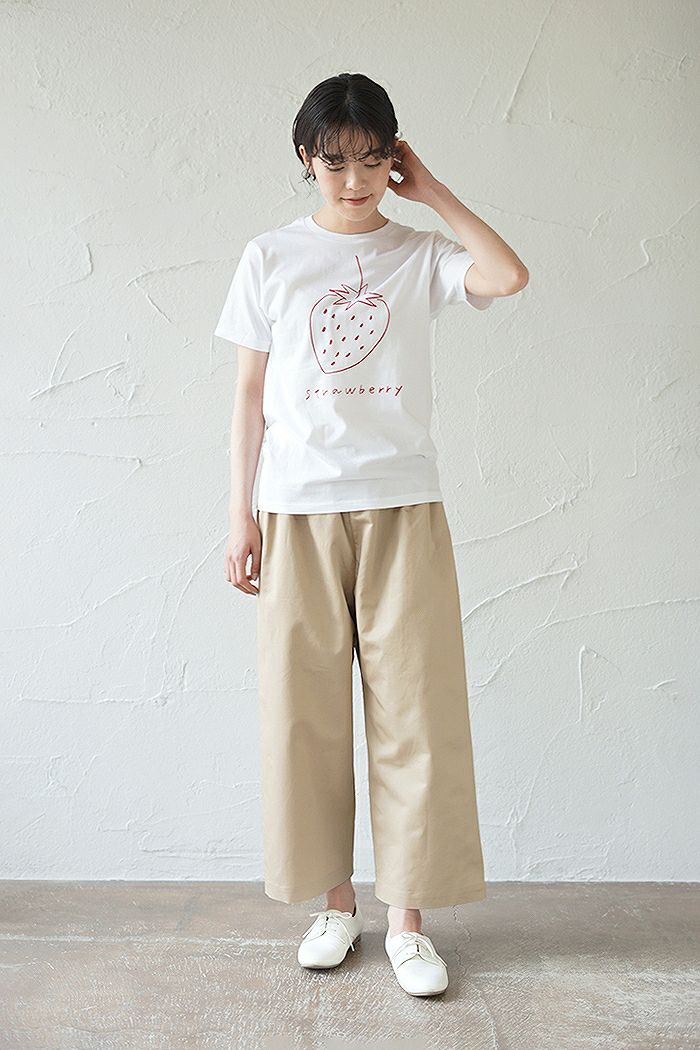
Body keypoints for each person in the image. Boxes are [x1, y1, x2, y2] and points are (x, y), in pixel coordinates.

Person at [216, 72, 528, 997]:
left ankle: (408, 924)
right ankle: (335, 905)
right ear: (305, 160)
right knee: (303, 716)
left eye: (371, 159)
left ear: (394, 156)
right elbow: (247, 397)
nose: (354, 180)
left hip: (402, 505)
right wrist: (239, 515)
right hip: (296, 510)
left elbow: (508, 276)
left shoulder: (419, 254)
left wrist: (433, 193)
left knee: (416, 715)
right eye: (335, 162)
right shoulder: (270, 256)